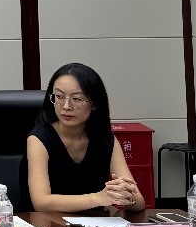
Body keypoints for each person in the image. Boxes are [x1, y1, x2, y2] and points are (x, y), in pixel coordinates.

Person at [22, 62, 144, 212]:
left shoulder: (105, 139)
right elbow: (41, 202)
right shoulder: (39, 139)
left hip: (95, 224)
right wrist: (98, 198)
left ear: (94, 103)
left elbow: (139, 202)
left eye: (77, 99)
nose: (66, 106)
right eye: (59, 97)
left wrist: (128, 196)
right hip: (46, 223)